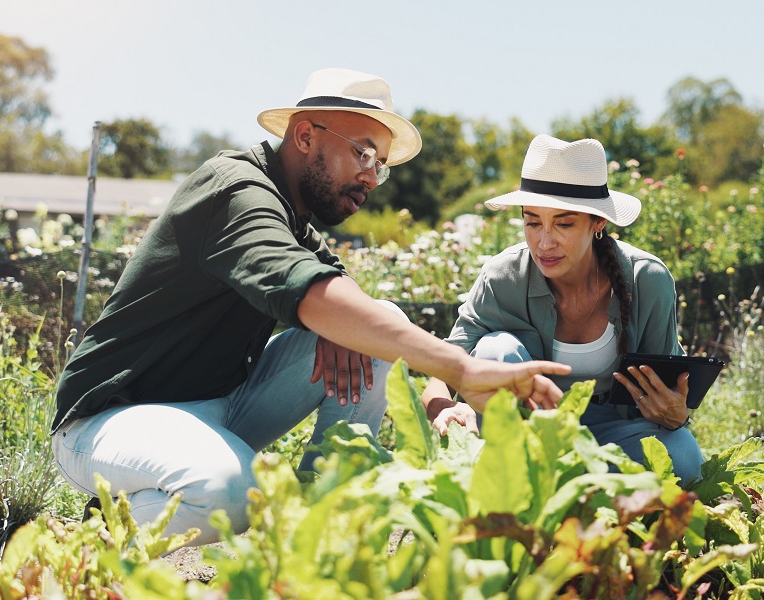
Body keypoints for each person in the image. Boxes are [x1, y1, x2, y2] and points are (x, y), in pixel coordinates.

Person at [51, 68, 569, 547]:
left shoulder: (295, 220)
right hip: (111, 417)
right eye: (364, 153)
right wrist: (461, 367)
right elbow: (305, 288)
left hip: (221, 407)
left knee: (377, 321)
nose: (371, 176)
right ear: (305, 137)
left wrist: (406, 377)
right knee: (231, 494)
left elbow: (345, 299)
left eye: (380, 166)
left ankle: (326, 503)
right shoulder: (235, 190)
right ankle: (82, 544)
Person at [421, 134, 704, 483]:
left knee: (685, 463)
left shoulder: (647, 278)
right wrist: (445, 409)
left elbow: (670, 386)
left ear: (598, 223)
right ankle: (535, 480)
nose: (544, 242)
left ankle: (549, 482)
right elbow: (441, 373)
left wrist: (677, 413)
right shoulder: (504, 277)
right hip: (524, 429)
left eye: (564, 223)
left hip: (612, 430)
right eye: (532, 222)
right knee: (497, 350)